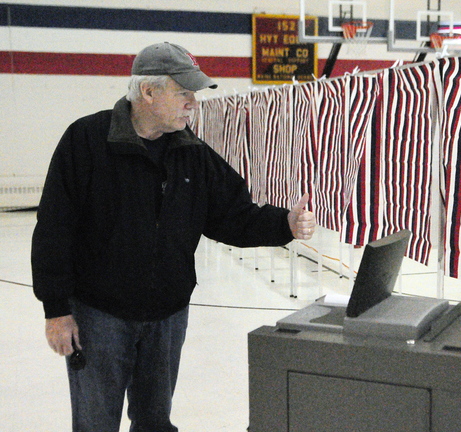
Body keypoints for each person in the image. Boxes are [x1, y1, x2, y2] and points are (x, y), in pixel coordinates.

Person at [31, 42, 316, 432]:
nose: (192, 103)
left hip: (166, 318)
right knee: (95, 423)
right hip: (100, 317)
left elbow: (232, 216)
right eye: (184, 93)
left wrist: (284, 224)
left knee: (155, 422)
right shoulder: (86, 141)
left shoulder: (191, 152)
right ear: (148, 92)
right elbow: (53, 228)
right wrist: (56, 310)